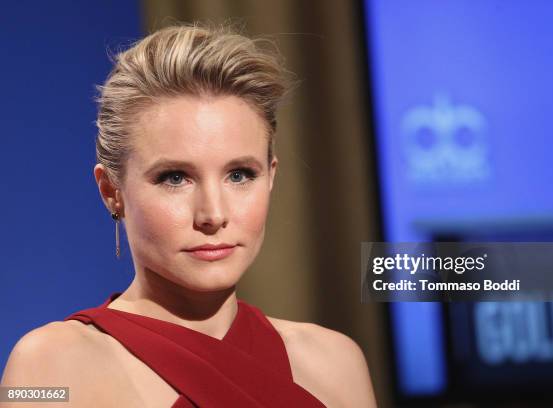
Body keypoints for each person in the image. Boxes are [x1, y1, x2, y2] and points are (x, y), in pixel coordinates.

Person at [0, 24, 377, 407]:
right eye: (175, 178)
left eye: (239, 175)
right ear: (111, 191)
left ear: (271, 178)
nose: (213, 214)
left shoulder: (337, 363)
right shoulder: (46, 367)